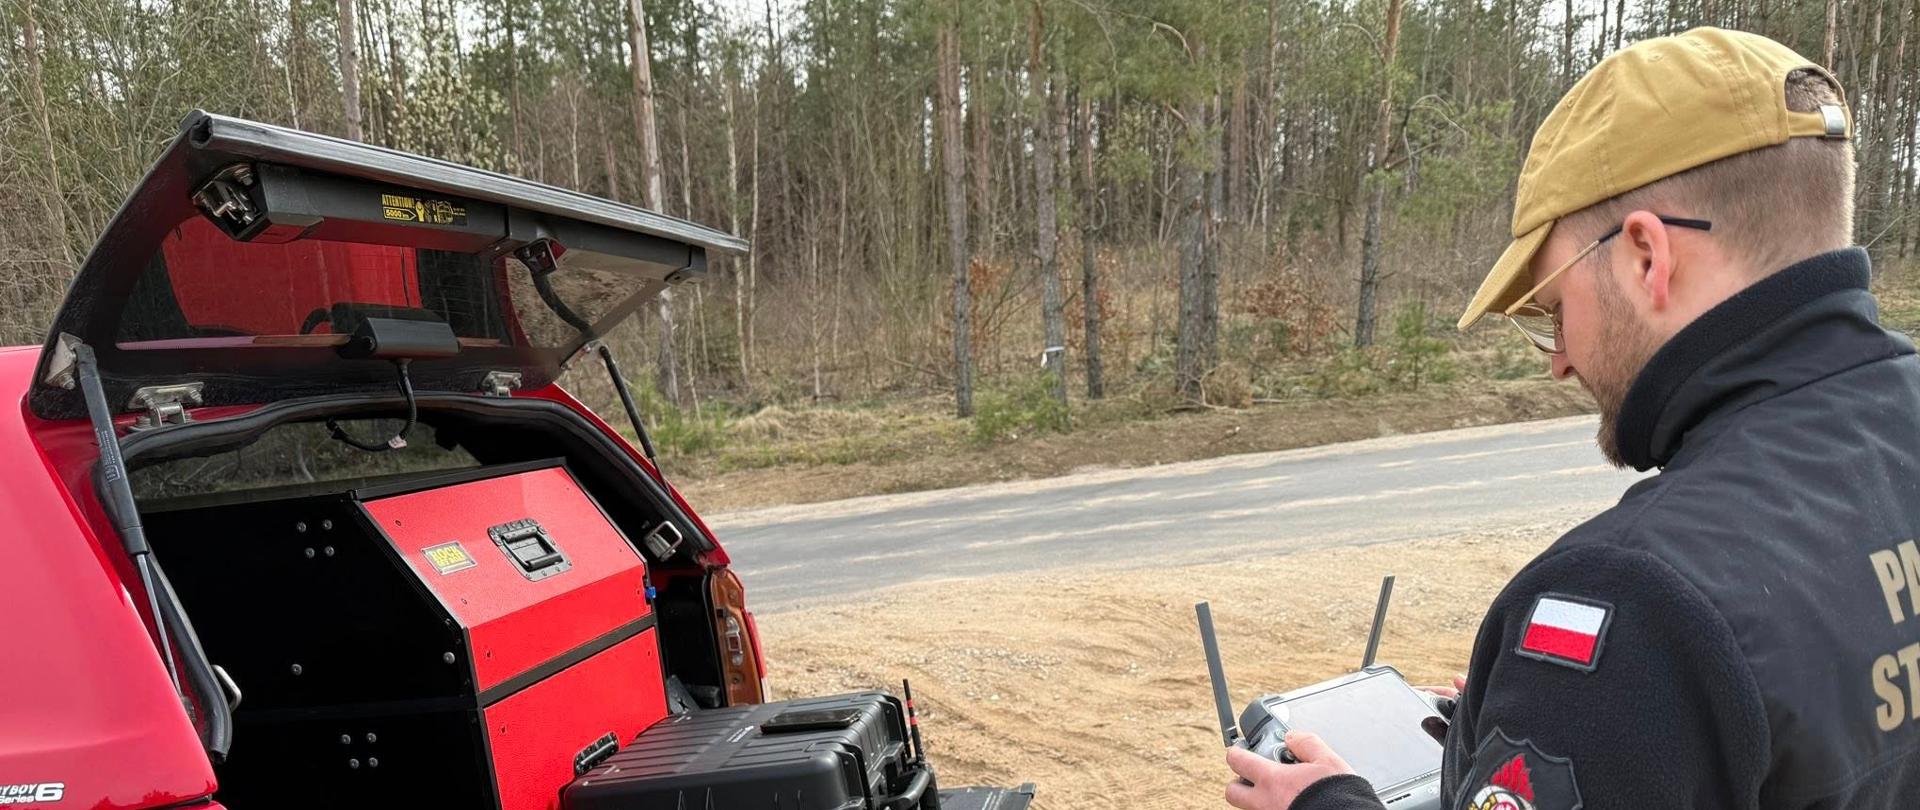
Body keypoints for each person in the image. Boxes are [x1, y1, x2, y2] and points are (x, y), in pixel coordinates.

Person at [1224, 27, 1920, 809]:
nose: (1557, 357)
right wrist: (1566, 725)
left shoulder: (1634, 605)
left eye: (1554, 307)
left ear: (1647, 257)